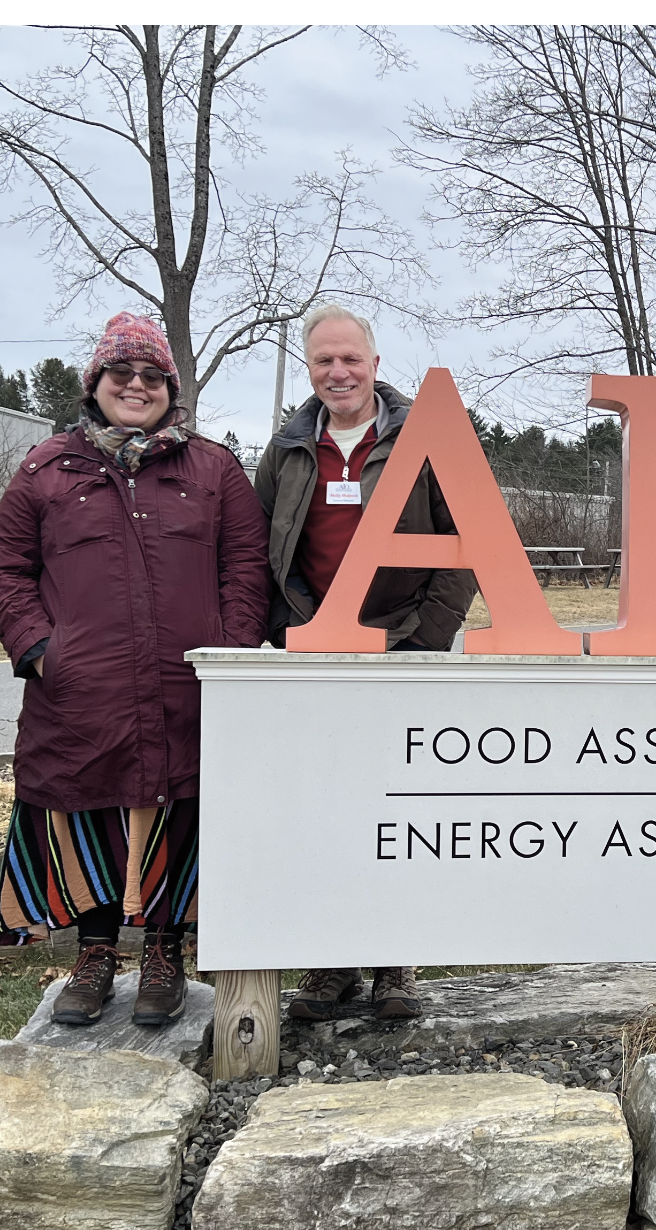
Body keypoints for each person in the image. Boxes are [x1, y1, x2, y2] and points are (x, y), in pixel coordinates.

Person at [0, 312, 270, 1028]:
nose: (136, 385)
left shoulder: (213, 468)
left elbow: (246, 567)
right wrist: (42, 650)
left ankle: (165, 951)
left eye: (151, 375)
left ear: (170, 387)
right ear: (96, 385)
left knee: (174, 807)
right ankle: (95, 950)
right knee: (90, 809)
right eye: (122, 374)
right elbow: (6, 570)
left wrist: (229, 651)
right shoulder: (47, 468)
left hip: (186, 685)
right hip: (81, 689)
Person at [254, 302, 475, 1024]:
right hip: (317, 651)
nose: (338, 372)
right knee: (323, 805)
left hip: (401, 645)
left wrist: (423, 643)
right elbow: (260, 550)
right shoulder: (287, 450)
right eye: (324, 361)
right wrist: (284, 633)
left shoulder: (430, 436)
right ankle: (331, 965)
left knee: (397, 806)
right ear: (310, 370)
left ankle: (394, 965)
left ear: (375, 366)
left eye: (351, 359)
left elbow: (470, 544)